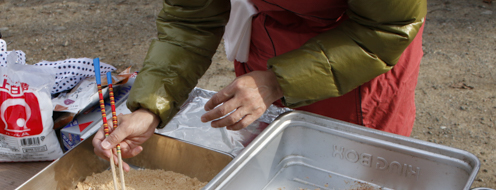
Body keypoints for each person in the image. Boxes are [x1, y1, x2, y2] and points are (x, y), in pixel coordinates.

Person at [93, 0, 426, 170]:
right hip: (268, 44)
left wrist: (279, 81)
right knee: (276, 172)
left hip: (356, 59)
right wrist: (151, 106)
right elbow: (190, 20)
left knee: (355, 180)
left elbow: (389, 26)